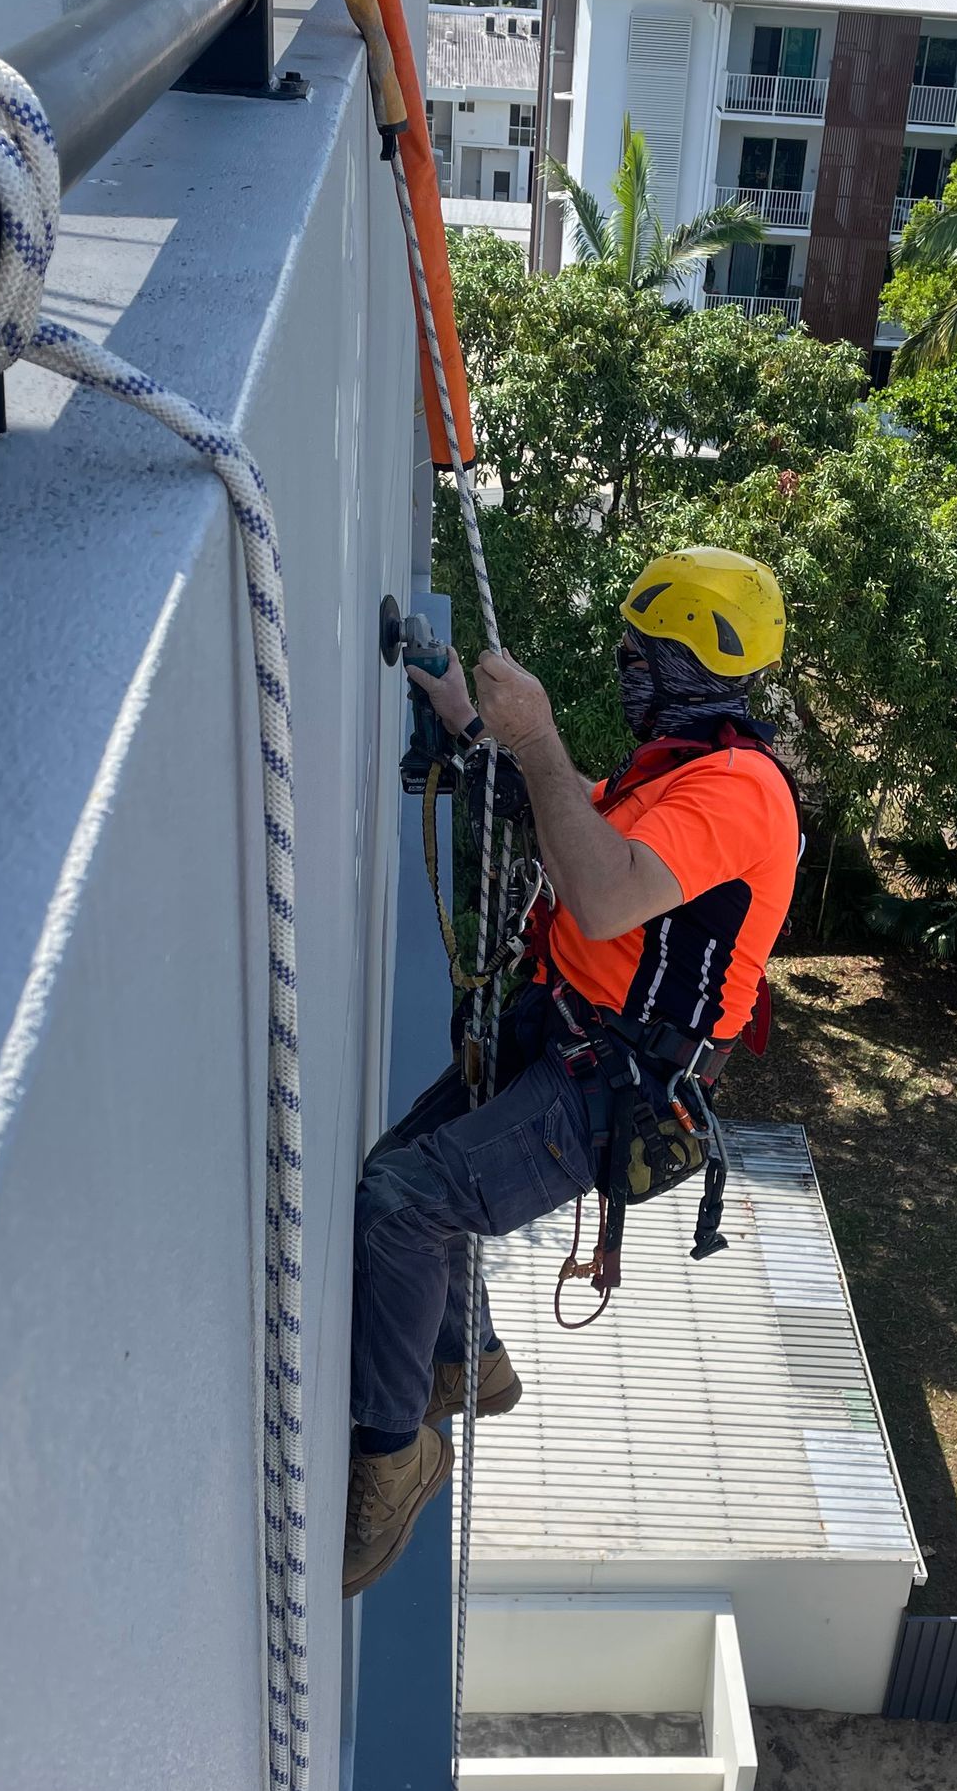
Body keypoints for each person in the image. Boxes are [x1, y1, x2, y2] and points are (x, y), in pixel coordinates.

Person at [343, 548, 800, 1596]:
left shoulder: (743, 794)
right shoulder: (681, 775)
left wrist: (538, 736)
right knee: (399, 1167)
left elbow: (598, 896)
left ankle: (391, 1459)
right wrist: (465, 719)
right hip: (565, 1037)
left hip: (610, 1090)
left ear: (685, 666)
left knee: (403, 1206)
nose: (626, 669)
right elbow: (565, 824)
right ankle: (465, 1359)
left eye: (641, 655)